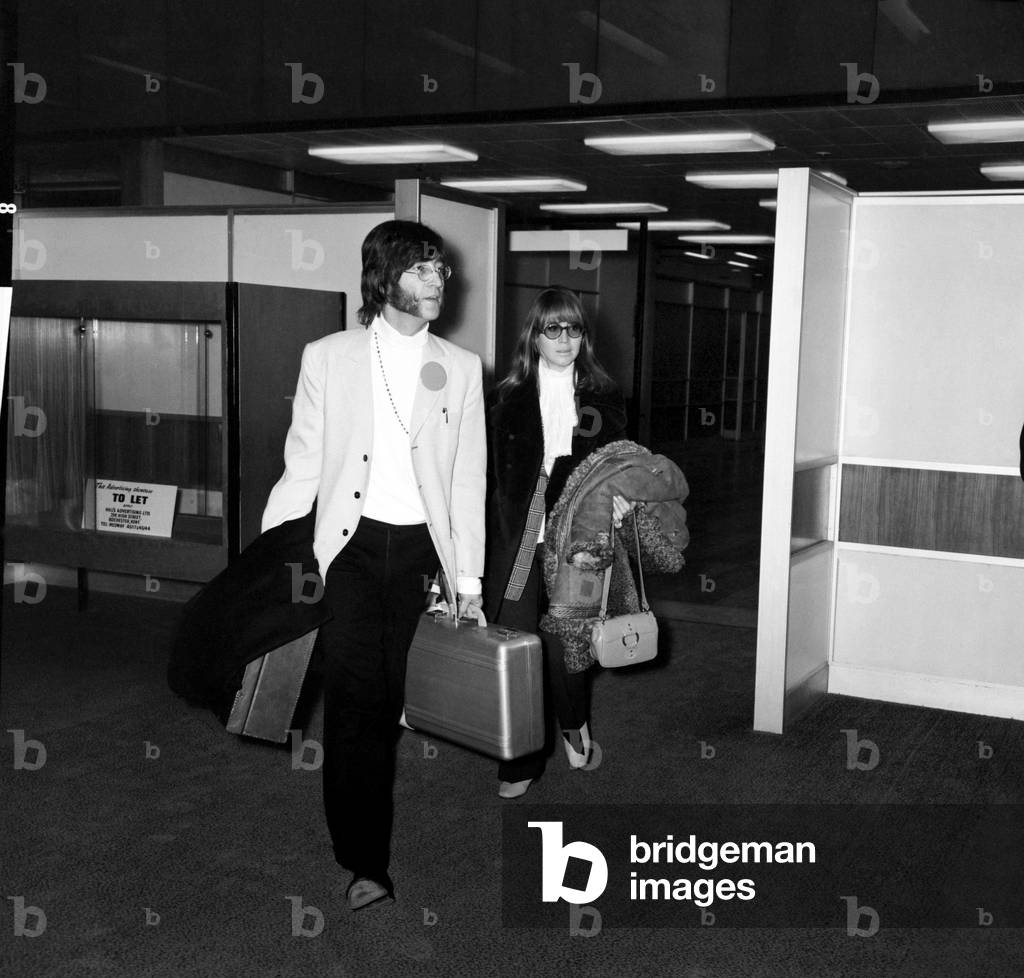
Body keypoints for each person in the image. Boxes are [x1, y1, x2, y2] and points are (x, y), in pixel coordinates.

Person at [261, 220, 486, 910]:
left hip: (422, 551)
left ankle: (368, 828)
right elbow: (303, 465)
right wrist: (276, 558)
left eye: (441, 271)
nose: (435, 283)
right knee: (357, 702)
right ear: (383, 278)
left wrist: (469, 579)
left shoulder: (462, 366)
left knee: (393, 699)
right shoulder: (329, 356)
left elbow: (468, 480)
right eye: (420, 270)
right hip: (351, 550)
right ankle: (364, 861)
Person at [484, 285, 629, 798]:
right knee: (518, 646)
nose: (565, 338)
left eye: (574, 328)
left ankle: (573, 724)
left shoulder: (603, 397)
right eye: (553, 328)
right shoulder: (505, 397)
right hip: (518, 540)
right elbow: (485, 477)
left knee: (566, 645)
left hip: (577, 541)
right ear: (535, 337)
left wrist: (621, 498)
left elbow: (620, 467)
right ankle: (518, 761)